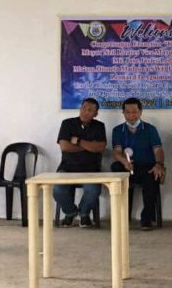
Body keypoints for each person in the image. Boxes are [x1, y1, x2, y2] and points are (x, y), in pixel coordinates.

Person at [111, 98, 165, 230]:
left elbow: (158, 150)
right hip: (127, 167)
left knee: (153, 176)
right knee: (115, 168)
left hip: (146, 168)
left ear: (140, 112)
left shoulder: (150, 129)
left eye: (134, 112)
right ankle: (122, 216)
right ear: (123, 113)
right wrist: (125, 162)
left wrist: (159, 164)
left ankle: (146, 219)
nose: (131, 115)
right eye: (127, 112)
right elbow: (117, 152)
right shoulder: (118, 130)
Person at [54, 98, 106, 227]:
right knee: (58, 189)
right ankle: (70, 212)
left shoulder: (99, 126)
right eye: (83, 108)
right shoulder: (67, 123)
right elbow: (65, 146)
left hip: (91, 169)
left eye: (90, 110)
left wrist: (78, 141)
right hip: (67, 168)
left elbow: (100, 148)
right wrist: (89, 146)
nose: (85, 112)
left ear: (96, 114)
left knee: (93, 189)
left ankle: (84, 214)